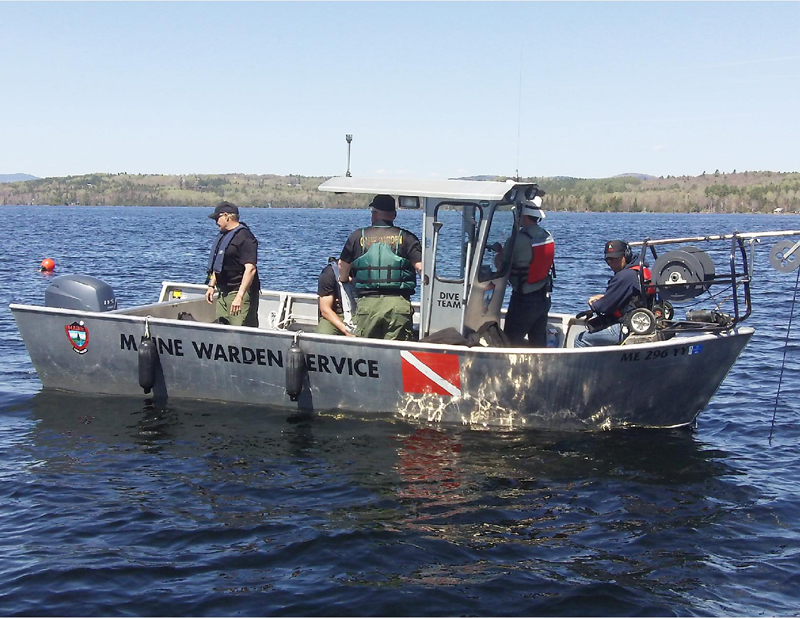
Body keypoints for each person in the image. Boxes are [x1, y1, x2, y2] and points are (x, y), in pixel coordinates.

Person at [337, 194, 423, 340]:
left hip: (367, 305)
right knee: (397, 353)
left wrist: (345, 280)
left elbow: (342, 266)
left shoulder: (357, 236)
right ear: (394, 215)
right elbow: (421, 268)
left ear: (374, 214)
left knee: (367, 352)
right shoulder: (408, 237)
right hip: (398, 305)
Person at [495, 195, 555, 347]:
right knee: (538, 344)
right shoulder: (547, 235)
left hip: (523, 302)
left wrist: (499, 253)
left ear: (522, 214)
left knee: (509, 344)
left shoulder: (518, 239)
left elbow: (501, 267)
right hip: (543, 299)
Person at [574, 239, 647, 347]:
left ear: (625, 256)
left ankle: (583, 364)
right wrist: (605, 297)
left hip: (627, 326)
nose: (611, 263)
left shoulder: (624, 276)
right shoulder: (638, 270)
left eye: (615, 259)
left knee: (580, 339)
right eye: (608, 260)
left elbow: (604, 307)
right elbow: (629, 296)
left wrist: (594, 304)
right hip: (639, 321)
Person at [205, 201, 260, 327]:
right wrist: (211, 285)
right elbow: (218, 264)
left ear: (226, 216)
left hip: (238, 292)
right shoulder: (224, 236)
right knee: (221, 329)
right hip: (223, 292)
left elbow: (250, 269)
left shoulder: (245, 237)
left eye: (217, 218)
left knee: (239, 331)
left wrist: (239, 296)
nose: (215, 222)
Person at [316, 258, 356, 337]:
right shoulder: (329, 274)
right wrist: (346, 331)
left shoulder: (368, 271)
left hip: (360, 313)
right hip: (337, 315)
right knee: (324, 334)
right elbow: (325, 309)